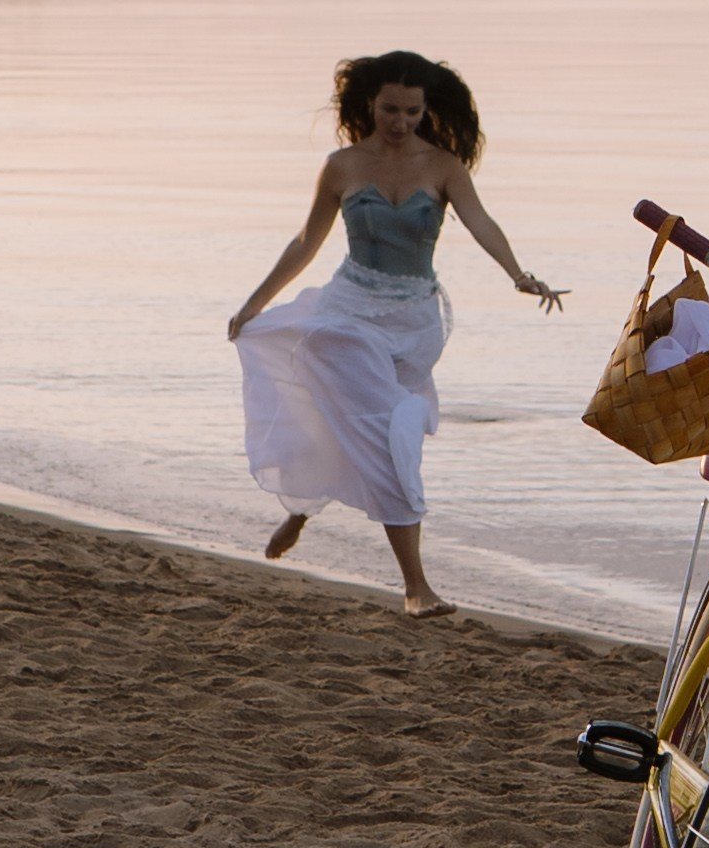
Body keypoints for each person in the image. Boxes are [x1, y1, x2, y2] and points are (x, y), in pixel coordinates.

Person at [228, 51, 565, 617]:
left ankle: (304, 508)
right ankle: (417, 589)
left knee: (376, 431)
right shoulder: (342, 166)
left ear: (426, 109)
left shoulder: (444, 166)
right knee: (389, 435)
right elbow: (306, 242)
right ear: (369, 104)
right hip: (347, 316)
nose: (400, 120)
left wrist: (518, 275)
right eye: (389, 108)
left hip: (414, 325)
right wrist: (254, 303)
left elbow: (482, 222)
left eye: (412, 110)